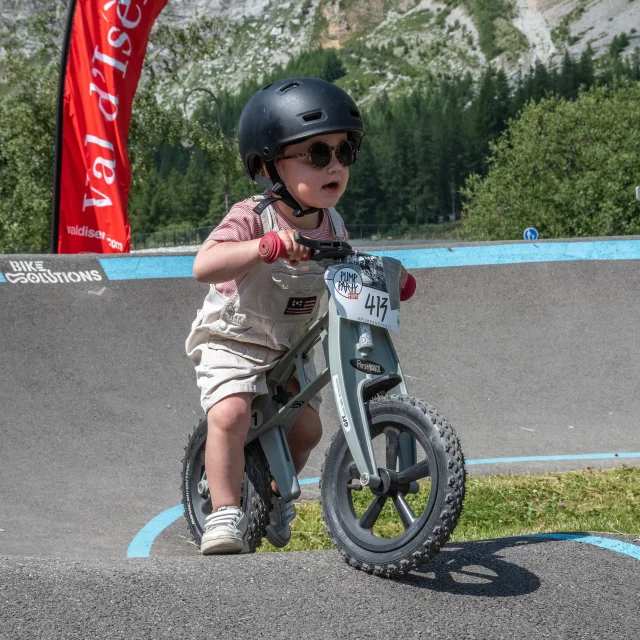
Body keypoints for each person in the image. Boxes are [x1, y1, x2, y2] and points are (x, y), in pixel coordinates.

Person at [185, 77, 409, 555]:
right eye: (316, 154)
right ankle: (223, 510)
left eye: (344, 153)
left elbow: (343, 258)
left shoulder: (333, 222)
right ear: (269, 166)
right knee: (229, 414)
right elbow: (204, 265)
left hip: (291, 347)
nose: (335, 165)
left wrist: (385, 276)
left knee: (308, 430)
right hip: (236, 339)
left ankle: (270, 497)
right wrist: (260, 248)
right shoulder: (253, 215)